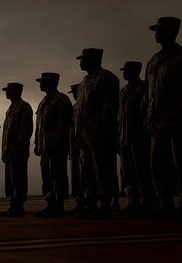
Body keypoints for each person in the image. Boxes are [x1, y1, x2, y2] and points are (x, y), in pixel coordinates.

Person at [74, 48, 120, 220]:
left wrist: (104, 129)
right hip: (84, 135)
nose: (80, 62)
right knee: (86, 170)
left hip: (99, 134)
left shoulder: (106, 78)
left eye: (83, 59)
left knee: (102, 169)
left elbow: (110, 108)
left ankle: (104, 204)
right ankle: (90, 203)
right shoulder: (85, 81)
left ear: (93, 59)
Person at [145, 17, 182, 218]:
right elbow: (147, 93)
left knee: (179, 162)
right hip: (157, 123)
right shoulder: (153, 60)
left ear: (173, 32)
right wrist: (148, 117)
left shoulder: (180, 57)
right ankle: (165, 202)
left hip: (177, 121)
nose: (157, 33)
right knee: (158, 163)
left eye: (161, 30)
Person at [118, 61, 156, 217]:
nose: (124, 73)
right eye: (124, 70)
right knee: (128, 172)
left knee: (142, 170)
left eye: (127, 70)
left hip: (139, 136)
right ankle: (133, 201)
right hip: (124, 137)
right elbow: (119, 116)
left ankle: (147, 201)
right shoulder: (123, 91)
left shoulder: (143, 88)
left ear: (136, 71)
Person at [34, 73, 73, 218]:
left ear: (52, 83)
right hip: (45, 147)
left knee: (58, 175)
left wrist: (56, 142)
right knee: (47, 177)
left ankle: (59, 205)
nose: (40, 84)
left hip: (56, 147)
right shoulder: (44, 101)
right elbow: (39, 125)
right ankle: (50, 204)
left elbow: (64, 125)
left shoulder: (61, 100)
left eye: (43, 81)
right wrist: (37, 143)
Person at [1, 83, 34, 217]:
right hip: (9, 151)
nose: (6, 92)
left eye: (9, 90)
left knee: (18, 179)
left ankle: (19, 206)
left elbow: (25, 130)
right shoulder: (10, 109)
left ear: (16, 91)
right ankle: (13, 204)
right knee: (11, 180)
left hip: (18, 151)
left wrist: (16, 147)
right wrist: (5, 150)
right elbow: (6, 133)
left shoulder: (24, 107)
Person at [67, 84, 85, 216]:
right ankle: (79, 201)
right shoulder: (74, 108)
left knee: (85, 173)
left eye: (75, 91)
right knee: (76, 174)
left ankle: (87, 201)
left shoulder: (83, 106)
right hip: (74, 145)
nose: (73, 94)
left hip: (84, 143)